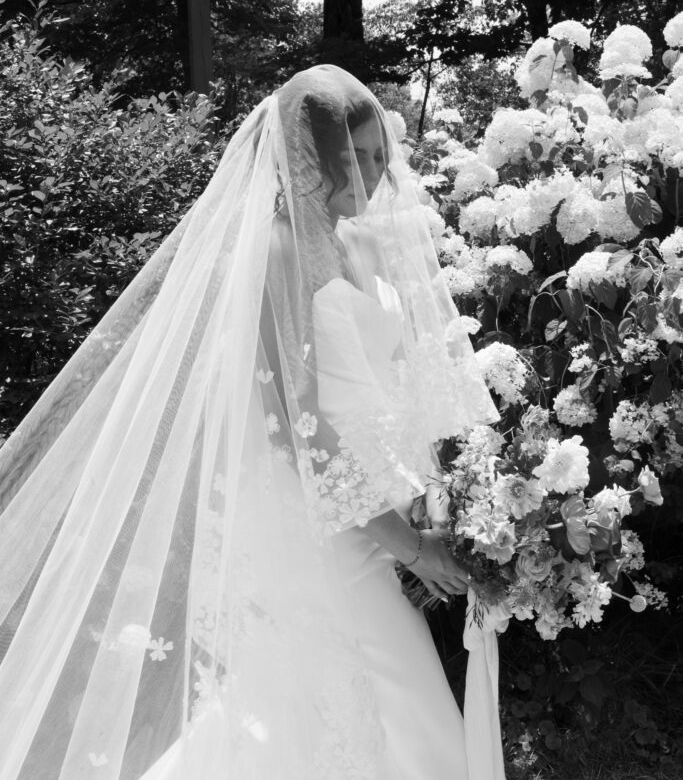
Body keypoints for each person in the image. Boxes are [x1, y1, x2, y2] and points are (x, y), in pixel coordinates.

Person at [0, 65, 504, 779]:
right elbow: (304, 427)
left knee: (360, 710)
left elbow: (392, 389)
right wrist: (409, 544)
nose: (370, 173)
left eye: (377, 155)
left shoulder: (364, 245)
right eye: (352, 156)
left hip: (378, 498)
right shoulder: (272, 255)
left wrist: (435, 493)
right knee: (375, 701)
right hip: (315, 523)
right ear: (309, 155)